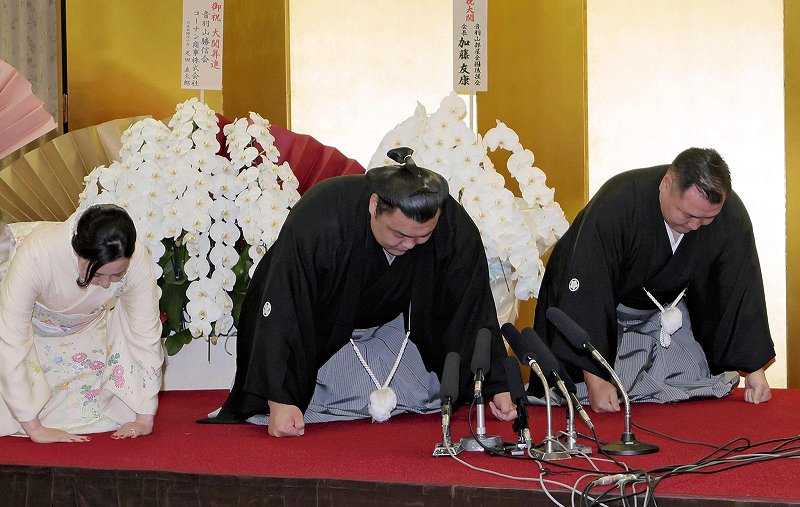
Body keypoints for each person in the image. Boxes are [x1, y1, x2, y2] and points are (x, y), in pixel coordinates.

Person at [202, 148, 515, 437]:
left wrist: (493, 384)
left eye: (422, 237)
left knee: (425, 396)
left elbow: (472, 305)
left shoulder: (452, 223)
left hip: (394, 331)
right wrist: (280, 399)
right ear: (374, 205)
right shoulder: (322, 215)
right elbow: (287, 302)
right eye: (399, 234)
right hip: (321, 333)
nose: (409, 245)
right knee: (315, 402)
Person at [533, 147, 775, 413]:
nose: (695, 226)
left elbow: (739, 287)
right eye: (688, 214)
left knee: (694, 383)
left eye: (708, 218)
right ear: (666, 184)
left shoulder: (730, 215)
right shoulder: (619, 202)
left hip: (663, 319)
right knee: (586, 393)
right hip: (605, 321)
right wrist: (596, 379)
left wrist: (755, 370)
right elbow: (589, 289)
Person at [0, 204, 163, 442]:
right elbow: (11, 337)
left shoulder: (137, 260)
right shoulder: (37, 255)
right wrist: (35, 430)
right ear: (78, 253)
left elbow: (144, 331)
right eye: (98, 274)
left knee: (112, 408)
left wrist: (144, 418)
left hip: (87, 328)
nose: (106, 284)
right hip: (26, 330)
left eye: (117, 275)